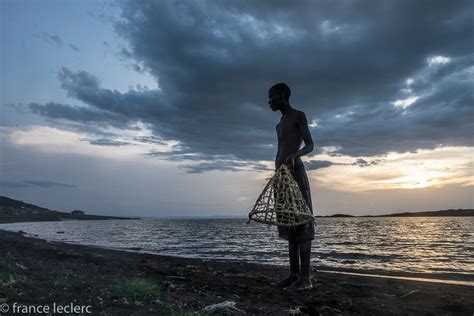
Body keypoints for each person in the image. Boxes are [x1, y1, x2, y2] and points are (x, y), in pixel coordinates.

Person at [268, 82, 315, 291]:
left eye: (272, 98)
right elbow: (279, 149)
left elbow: (310, 145)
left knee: (302, 221)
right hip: (281, 177)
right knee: (289, 222)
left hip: (295, 173)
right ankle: (293, 274)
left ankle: (305, 279)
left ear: (281, 96)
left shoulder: (298, 116)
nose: (269, 102)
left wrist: (295, 155)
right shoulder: (278, 124)